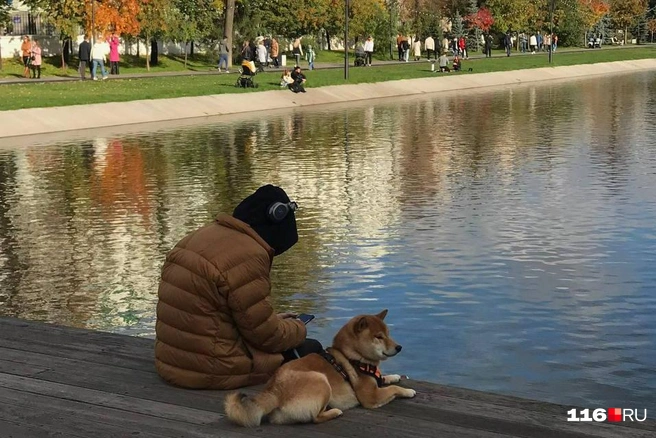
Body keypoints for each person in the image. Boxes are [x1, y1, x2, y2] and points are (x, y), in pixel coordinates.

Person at [155, 185, 322, 390]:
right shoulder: (249, 255)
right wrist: (298, 328)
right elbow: (267, 336)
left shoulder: (200, 237)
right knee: (311, 350)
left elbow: (215, 313)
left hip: (172, 363)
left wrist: (275, 320)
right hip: (212, 370)